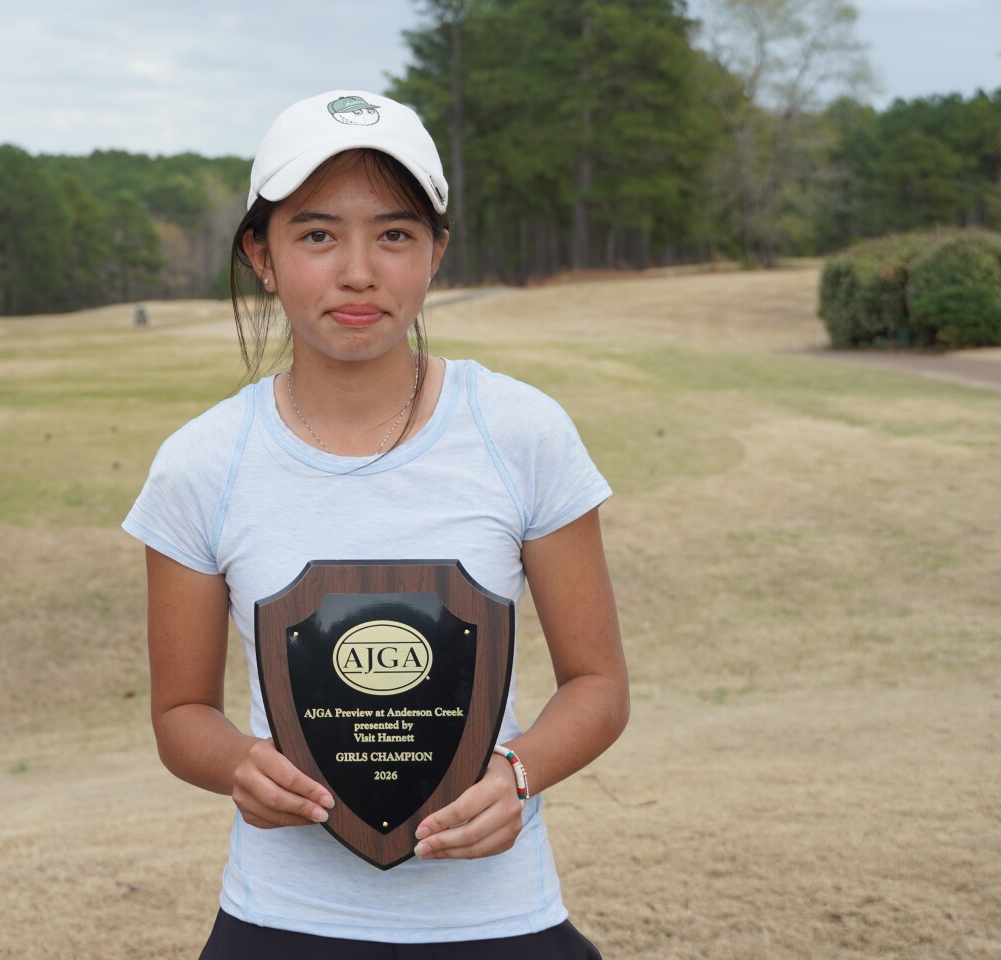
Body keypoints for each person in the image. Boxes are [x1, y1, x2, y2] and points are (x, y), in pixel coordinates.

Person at [123, 90, 628, 959]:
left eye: (394, 234)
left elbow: (599, 687)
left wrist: (520, 774)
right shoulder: (201, 462)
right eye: (317, 234)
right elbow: (180, 714)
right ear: (262, 254)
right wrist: (236, 765)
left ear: (435, 252)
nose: (359, 271)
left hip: (501, 923)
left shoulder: (522, 432)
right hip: (281, 924)